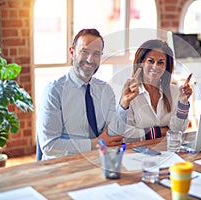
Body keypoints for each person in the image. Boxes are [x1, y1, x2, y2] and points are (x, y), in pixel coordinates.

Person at [36, 28, 140, 160]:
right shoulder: (54, 91)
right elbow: (50, 146)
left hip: (98, 161)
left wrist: (124, 103)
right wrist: (95, 144)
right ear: (72, 52)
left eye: (96, 54)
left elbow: (113, 135)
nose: (90, 59)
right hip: (63, 166)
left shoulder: (105, 90)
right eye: (84, 52)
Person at [124, 39, 193, 142]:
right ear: (141, 63)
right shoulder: (129, 93)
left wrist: (183, 102)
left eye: (161, 62)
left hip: (167, 150)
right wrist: (162, 131)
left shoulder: (174, 91)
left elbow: (178, 130)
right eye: (151, 61)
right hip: (137, 152)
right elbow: (127, 134)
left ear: (166, 67)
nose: (155, 66)